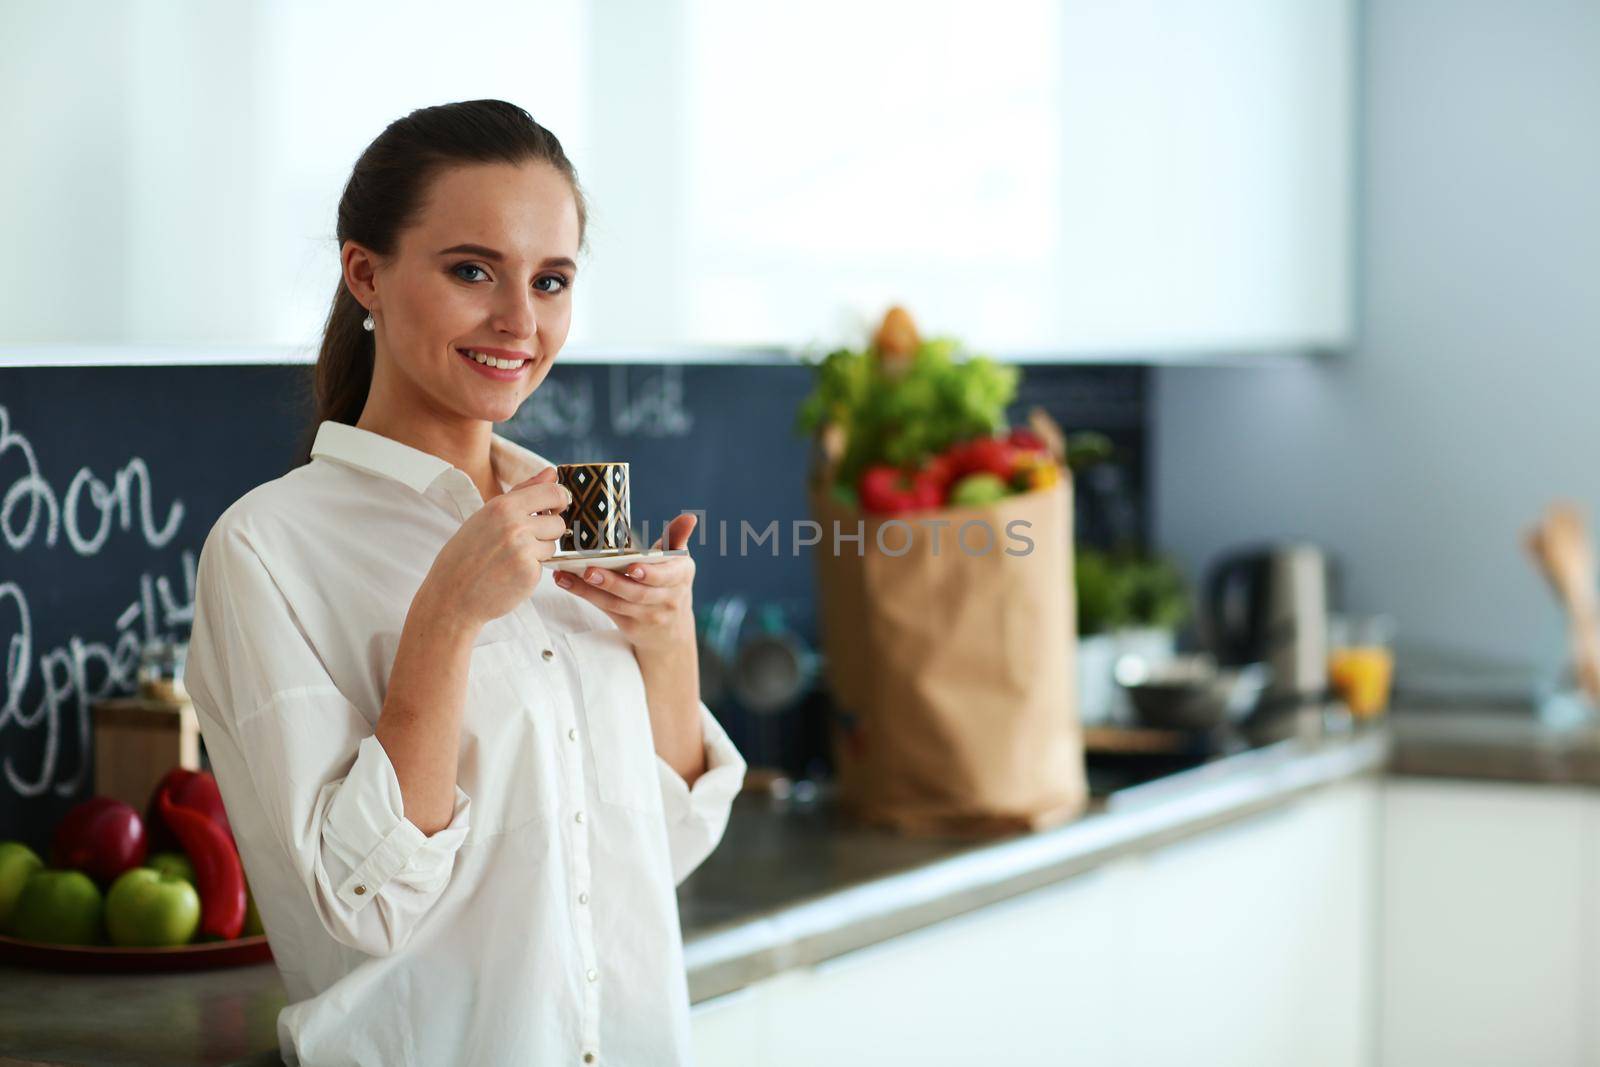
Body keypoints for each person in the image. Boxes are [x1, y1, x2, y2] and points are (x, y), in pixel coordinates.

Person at [182, 99, 748, 1067]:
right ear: (366, 271)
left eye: (552, 279)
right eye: (472, 270)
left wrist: (664, 641)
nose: (519, 321)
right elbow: (361, 901)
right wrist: (445, 618)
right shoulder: (267, 550)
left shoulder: (568, 523)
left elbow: (658, 847)